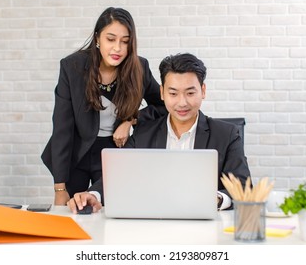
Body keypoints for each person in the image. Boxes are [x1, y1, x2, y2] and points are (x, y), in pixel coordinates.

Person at [68, 52, 251, 213]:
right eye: (173, 93)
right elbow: (118, 175)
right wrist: (94, 194)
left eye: (190, 93)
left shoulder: (227, 135)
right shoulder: (143, 134)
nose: (182, 103)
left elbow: (243, 187)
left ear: (203, 91)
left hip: (206, 228)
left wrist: (217, 199)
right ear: (162, 93)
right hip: (153, 226)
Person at [41, 7, 166, 208]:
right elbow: (62, 129)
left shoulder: (139, 68)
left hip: (114, 152)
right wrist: (60, 188)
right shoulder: (72, 67)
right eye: (111, 39)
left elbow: (164, 104)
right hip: (77, 152)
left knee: (113, 212)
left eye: (125, 41)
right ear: (98, 38)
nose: (117, 48)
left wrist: (130, 120)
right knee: (73, 213)